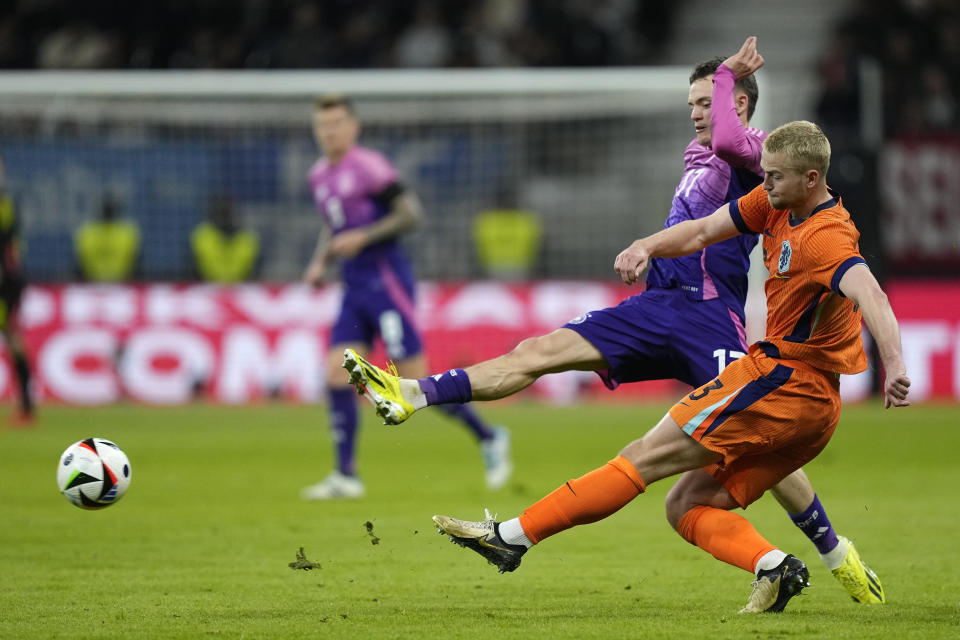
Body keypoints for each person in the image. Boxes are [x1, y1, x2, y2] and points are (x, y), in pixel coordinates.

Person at [343, 38, 886, 604]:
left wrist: (727, 75)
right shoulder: (700, 156)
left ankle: (833, 553)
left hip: (709, 318)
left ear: (738, 104)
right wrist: (648, 247)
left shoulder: (751, 151)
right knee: (539, 351)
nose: (697, 112)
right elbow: (696, 222)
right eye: (695, 103)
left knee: (749, 444)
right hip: (656, 306)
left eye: (707, 101)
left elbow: (725, 147)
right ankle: (412, 393)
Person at [431, 119, 910, 613]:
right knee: (685, 506)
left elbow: (870, 293)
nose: (763, 184)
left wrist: (893, 363)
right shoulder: (775, 203)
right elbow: (704, 230)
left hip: (782, 382)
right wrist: (646, 245)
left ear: (812, 179)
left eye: (775, 177)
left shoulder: (825, 238)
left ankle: (511, 538)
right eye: (763, 174)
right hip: (812, 410)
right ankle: (775, 568)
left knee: (643, 456)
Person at [300, 95, 511, 500]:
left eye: (337, 123)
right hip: (353, 287)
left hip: (387, 285)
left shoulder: (369, 167)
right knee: (334, 374)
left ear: (353, 127)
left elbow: (411, 214)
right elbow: (334, 225)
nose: (330, 132)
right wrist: (319, 263)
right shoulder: (318, 177)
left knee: (413, 385)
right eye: (323, 125)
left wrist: (365, 236)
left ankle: (489, 436)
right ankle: (346, 476)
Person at [0, 153, 35, 425]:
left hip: (6, 283)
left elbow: (8, 247)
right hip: (10, 280)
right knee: (14, 339)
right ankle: (26, 407)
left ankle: (26, 407)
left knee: (13, 339)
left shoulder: (6, 205)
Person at [191, 194, 260, 283]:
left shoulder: (248, 239)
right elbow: (192, 269)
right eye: (219, 213)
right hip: (206, 287)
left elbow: (255, 271)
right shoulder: (202, 236)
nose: (223, 218)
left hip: (243, 288)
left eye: (226, 213)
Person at [74, 195, 140, 282]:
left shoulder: (86, 233)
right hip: (122, 283)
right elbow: (137, 265)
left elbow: (78, 267)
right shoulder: (127, 232)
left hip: (92, 284)